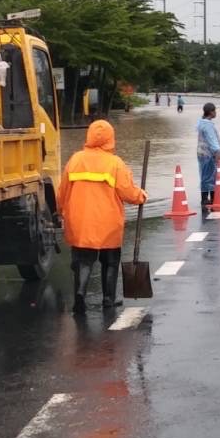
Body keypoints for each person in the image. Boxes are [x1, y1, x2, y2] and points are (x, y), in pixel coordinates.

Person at [58, 120, 147, 311]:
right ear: (110, 138)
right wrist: (141, 196)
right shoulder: (115, 163)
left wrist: (60, 211)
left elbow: (63, 191)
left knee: (83, 260)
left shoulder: (75, 160)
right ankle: (108, 299)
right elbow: (128, 192)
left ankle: (80, 293)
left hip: (80, 221)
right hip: (108, 222)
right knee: (110, 260)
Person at [196, 102, 220, 214]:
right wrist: (218, 151)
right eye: (215, 110)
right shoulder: (207, 125)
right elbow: (212, 139)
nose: (216, 112)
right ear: (211, 112)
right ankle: (209, 199)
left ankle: (205, 198)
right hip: (208, 154)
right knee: (211, 176)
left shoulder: (201, 122)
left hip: (202, 153)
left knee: (205, 175)